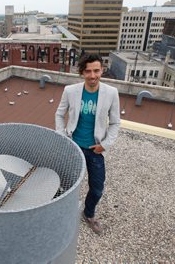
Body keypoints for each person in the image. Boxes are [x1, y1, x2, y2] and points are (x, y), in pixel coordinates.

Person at [55, 54, 120, 234]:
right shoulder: (70, 91)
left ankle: (88, 213)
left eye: (96, 71)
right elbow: (59, 115)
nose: (93, 75)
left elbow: (115, 123)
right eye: (88, 71)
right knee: (65, 184)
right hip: (73, 147)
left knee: (97, 189)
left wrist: (105, 145)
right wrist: (62, 136)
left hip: (95, 149)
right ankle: (62, 213)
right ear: (82, 72)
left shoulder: (111, 93)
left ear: (102, 70)